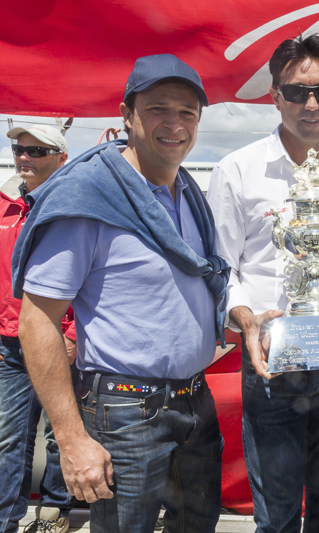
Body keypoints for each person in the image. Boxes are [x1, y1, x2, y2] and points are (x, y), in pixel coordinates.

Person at [12, 54, 230, 533]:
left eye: (187, 112)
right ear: (126, 115)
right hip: (125, 413)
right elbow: (37, 320)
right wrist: (70, 440)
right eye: (157, 109)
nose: (174, 124)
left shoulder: (188, 193)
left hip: (195, 404)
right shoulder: (89, 199)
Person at [206, 34, 319, 533]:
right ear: (275, 96)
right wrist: (246, 320)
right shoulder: (237, 171)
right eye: (298, 92)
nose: (312, 104)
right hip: (272, 358)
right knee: (278, 508)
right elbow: (222, 266)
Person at [0, 125, 74, 533]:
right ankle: (6, 520)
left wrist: (74, 335)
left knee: (61, 433)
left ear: (61, 158)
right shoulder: (4, 205)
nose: (24, 156)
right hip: (10, 344)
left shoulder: (74, 205)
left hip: (60, 341)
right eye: (18, 149)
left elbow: (92, 275)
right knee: (9, 437)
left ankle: (54, 510)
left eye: (36, 150)